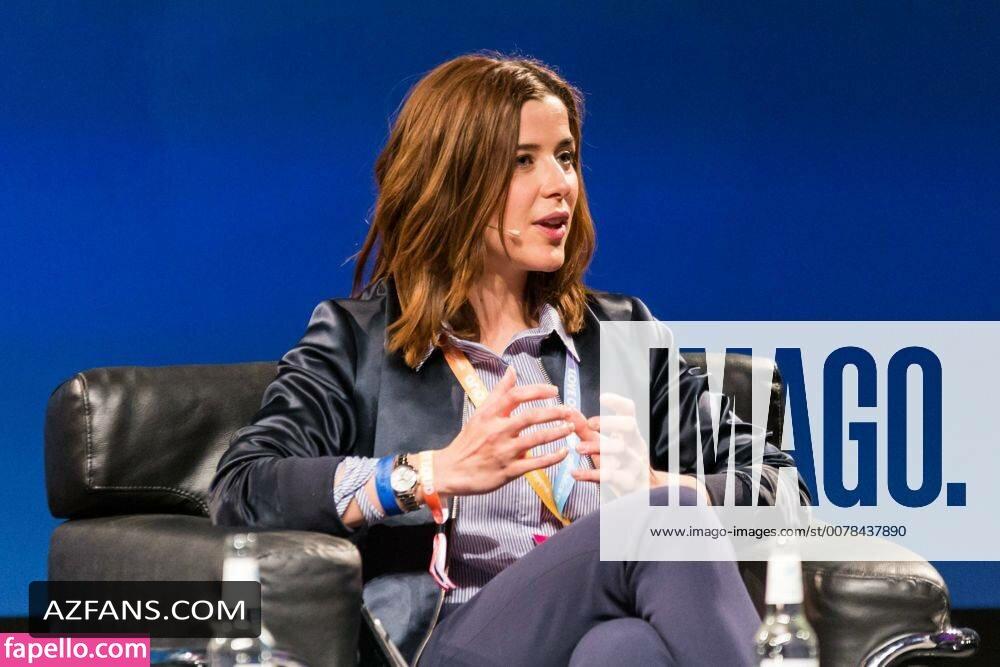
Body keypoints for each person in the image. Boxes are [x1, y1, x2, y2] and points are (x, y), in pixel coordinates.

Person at [209, 53, 809, 666]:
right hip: (451, 646)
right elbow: (241, 489)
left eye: (565, 156)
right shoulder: (358, 340)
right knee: (663, 522)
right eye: (524, 160)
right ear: (453, 180)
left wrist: (658, 482)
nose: (560, 184)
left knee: (625, 647)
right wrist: (427, 474)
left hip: (592, 635)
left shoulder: (624, 333)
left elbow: (784, 494)